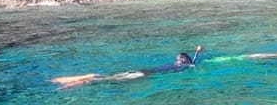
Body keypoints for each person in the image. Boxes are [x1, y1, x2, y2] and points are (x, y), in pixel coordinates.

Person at [52, 50, 198, 89]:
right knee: (107, 80)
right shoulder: (180, 67)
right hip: (140, 75)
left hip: (140, 70)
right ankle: (84, 81)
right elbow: (185, 68)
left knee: (109, 77)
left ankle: (88, 77)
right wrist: (191, 65)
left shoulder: (174, 64)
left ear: (178, 59)